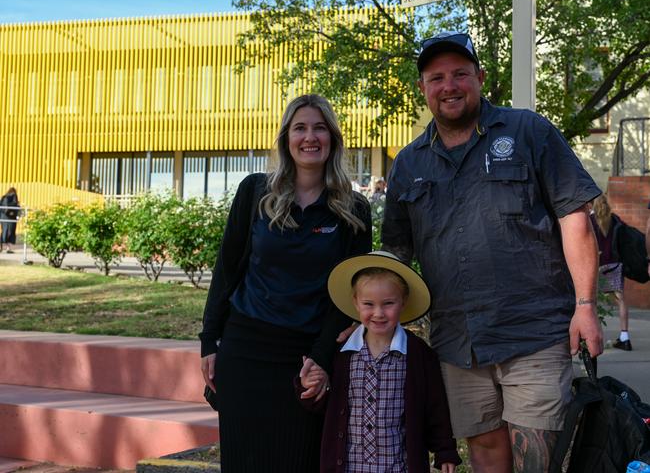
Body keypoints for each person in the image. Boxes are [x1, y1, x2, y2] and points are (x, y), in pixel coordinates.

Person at [381, 31, 603, 472]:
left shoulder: (529, 131)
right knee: (484, 451)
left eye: (460, 74)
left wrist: (586, 306)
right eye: (436, 77)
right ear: (423, 88)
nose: (449, 86)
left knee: (537, 458)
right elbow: (396, 251)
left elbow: (574, 218)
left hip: (534, 335)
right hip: (458, 342)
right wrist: (368, 315)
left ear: (480, 78)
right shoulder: (408, 164)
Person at [199, 94, 372, 473]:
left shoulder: (354, 209)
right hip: (245, 350)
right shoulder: (255, 192)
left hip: (305, 358)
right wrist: (209, 340)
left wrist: (323, 357)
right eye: (300, 128)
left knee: (300, 461)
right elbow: (227, 269)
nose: (310, 137)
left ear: (333, 138)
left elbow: (349, 298)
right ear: (286, 138)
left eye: (319, 128)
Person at [299, 250, 462, 473]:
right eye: (368, 304)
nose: (378, 313)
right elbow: (324, 406)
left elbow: (435, 406)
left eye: (388, 303)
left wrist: (444, 450)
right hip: (349, 467)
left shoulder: (418, 353)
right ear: (355, 303)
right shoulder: (341, 353)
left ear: (403, 302)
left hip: (398, 466)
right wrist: (310, 386)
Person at [591, 195, 631, 351]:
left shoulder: (590, 221)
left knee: (592, 302)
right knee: (621, 301)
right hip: (615, 265)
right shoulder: (615, 220)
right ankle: (625, 337)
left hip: (597, 266)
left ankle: (594, 338)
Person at [0, 187, 20, 253]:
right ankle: (8, 248)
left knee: (4, 231)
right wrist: (16, 214)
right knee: (10, 232)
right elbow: (15, 205)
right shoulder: (14, 196)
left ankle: (2, 247)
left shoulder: (4, 197)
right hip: (10, 217)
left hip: (3, 217)